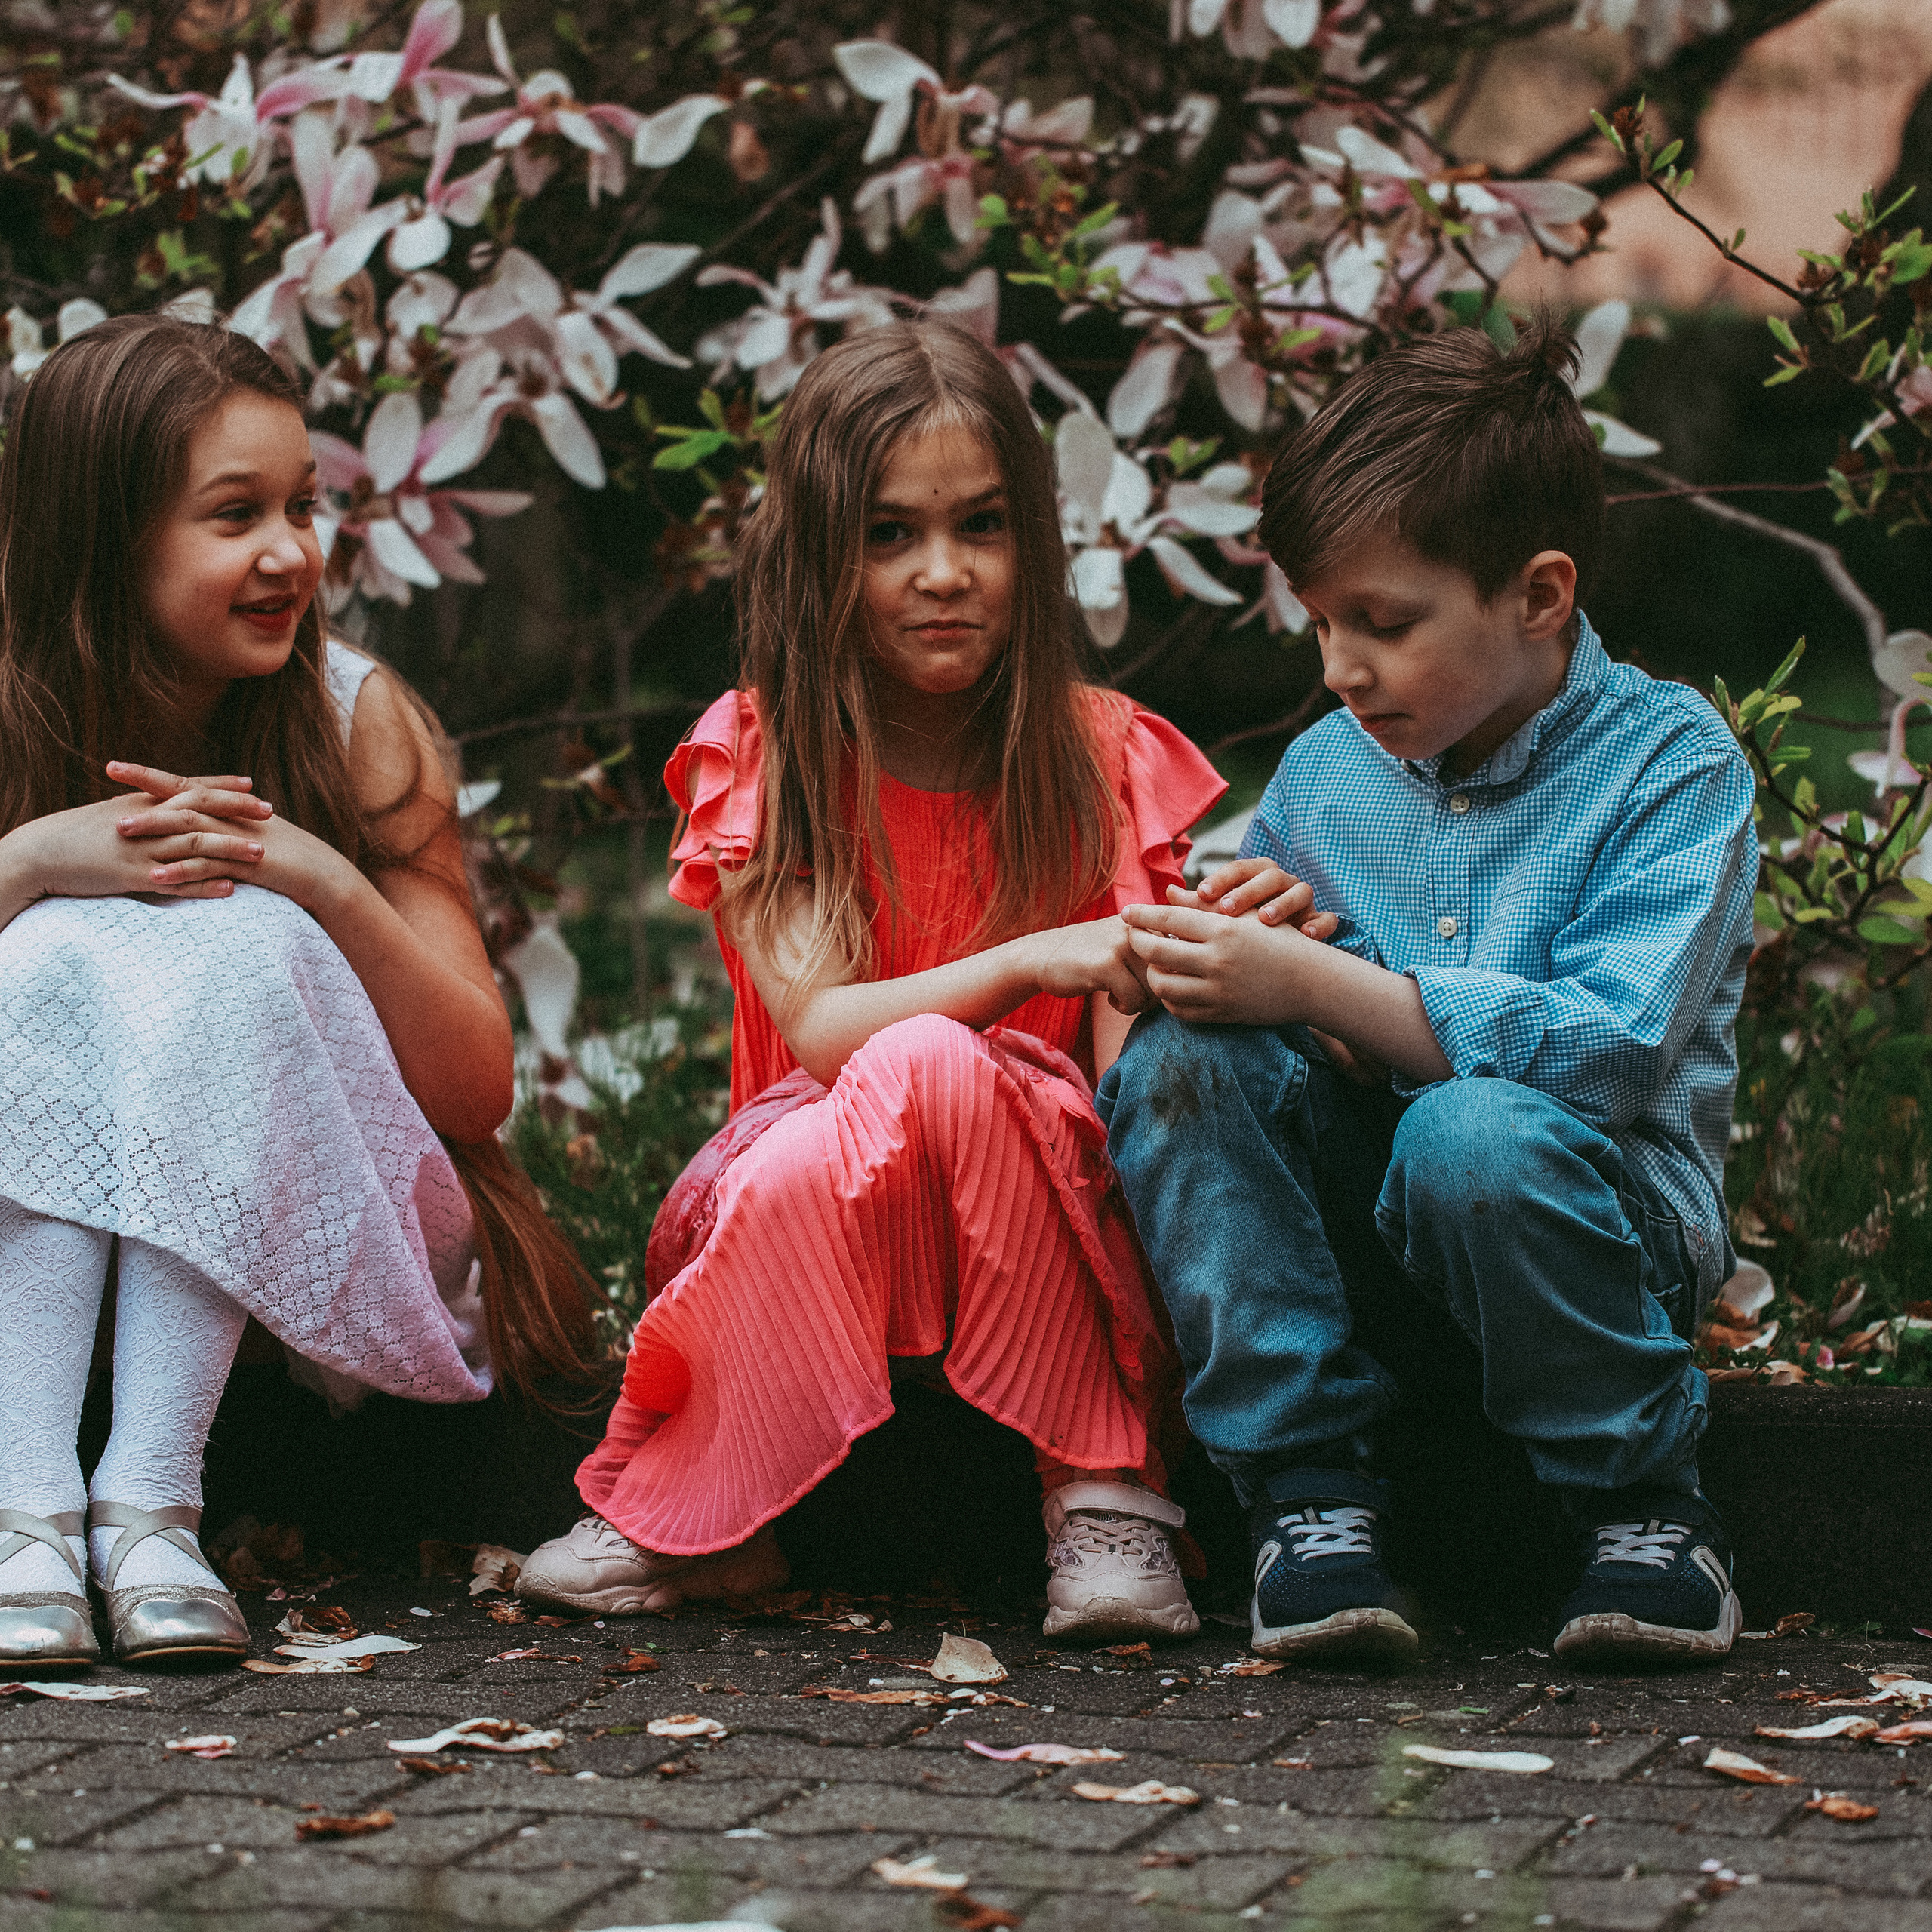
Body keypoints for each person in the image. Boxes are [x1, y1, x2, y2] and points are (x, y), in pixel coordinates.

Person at [518, 321, 1319, 1640]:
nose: (944, 574)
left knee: (969, 1073)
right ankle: (1075, 1487)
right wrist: (1030, 959)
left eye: (981, 527)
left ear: (1032, 544)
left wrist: (1223, 957)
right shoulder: (768, 753)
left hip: (1044, 1220)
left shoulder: (1100, 757)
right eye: (889, 534)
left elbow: (1132, 1101)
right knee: (913, 1059)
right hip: (807, 1205)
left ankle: (1096, 1486)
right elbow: (827, 1030)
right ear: (818, 557)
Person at [1097, 315, 1757, 1669]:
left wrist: (1332, 984)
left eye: (1385, 624)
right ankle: (1308, 1496)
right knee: (1184, 1065)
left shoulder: (1674, 768)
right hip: (1381, 1251)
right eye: (1322, 623)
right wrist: (1250, 967)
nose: (1341, 668)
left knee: (1475, 1135)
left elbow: (1609, 1058)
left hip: (1591, 1244)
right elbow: (1302, 1034)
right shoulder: (1329, 770)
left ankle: (1644, 1506)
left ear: (1540, 595)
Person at [0, 315, 592, 1671]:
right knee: (38, 952)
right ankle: (25, 1509)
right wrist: (30, 861)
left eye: (303, 507)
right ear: (104, 541)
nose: (291, 554)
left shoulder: (352, 714)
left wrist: (319, 881)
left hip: (342, 1218)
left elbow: (473, 1088)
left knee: (244, 942)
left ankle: (152, 1505)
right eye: (236, 516)